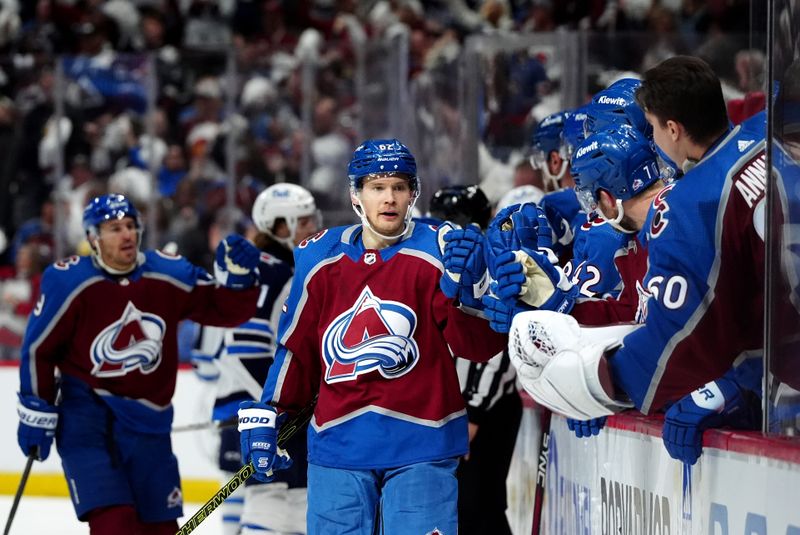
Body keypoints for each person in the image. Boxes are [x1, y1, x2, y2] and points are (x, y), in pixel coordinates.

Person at [237, 139, 507, 534]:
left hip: (422, 442)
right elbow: (298, 350)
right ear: (356, 194)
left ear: (413, 193)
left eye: (399, 187)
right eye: (377, 187)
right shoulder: (319, 258)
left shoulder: (440, 249)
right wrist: (273, 411)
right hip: (339, 444)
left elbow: (477, 347)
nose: (389, 198)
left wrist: (472, 291)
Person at [507, 56, 767, 429]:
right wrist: (570, 306)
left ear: (672, 129)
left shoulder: (690, 204)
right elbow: (641, 312)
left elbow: (680, 334)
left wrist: (604, 386)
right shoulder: (763, 134)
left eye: (651, 128)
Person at [16, 193, 260, 534]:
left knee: (159, 528)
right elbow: (38, 350)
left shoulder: (169, 272)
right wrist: (35, 408)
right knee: (115, 524)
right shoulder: (68, 281)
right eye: (114, 228)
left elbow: (227, 311)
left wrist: (240, 279)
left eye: (130, 225)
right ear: (93, 238)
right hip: (88, 421)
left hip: (150, 427)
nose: (127, 234)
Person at [214, 183, 321, 535]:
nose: (312, 228)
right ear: (279, 226)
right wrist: (279, 405)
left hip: (249, 407)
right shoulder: (274, 273)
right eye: (303, 222)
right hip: (265, 411)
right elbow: (246, 350)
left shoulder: (269, 269)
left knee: (283, 500)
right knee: (278, 500)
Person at [429, 184, 521, 535]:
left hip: (484, 407)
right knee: (470, 504)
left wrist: (473, 411)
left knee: (477, 504)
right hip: (466, 404)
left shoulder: (491, 259)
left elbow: (497, 347)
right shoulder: (445, 265)